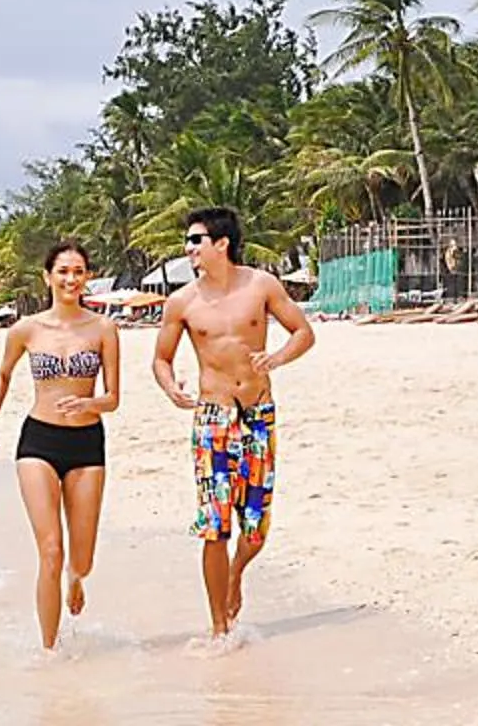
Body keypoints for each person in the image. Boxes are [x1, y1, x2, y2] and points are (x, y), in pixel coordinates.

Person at [152, 206, 317, 648]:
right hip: (212, 418)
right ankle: (219, 628)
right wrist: (171, 389)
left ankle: (236, 574)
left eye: (195, 240)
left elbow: (303, 332)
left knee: (255, 527)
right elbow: (161, 358)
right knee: (214, 527)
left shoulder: (261, 285)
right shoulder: (181, 301)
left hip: (258, 414)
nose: (188, 249)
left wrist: (276, 359)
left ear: (221, 244)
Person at [0, 240, 119, 652]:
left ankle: (77, 578)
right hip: (38, 440)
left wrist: (89, 402)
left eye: (78, 271)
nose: (71, 279)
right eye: (63, 271)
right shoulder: (26, 329)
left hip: (87, 443)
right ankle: (50, 652)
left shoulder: (103, 329)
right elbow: (2, 375)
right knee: (50, 551)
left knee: (82, 558)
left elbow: (113, 397)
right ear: (48, 277)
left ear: (87, 276)